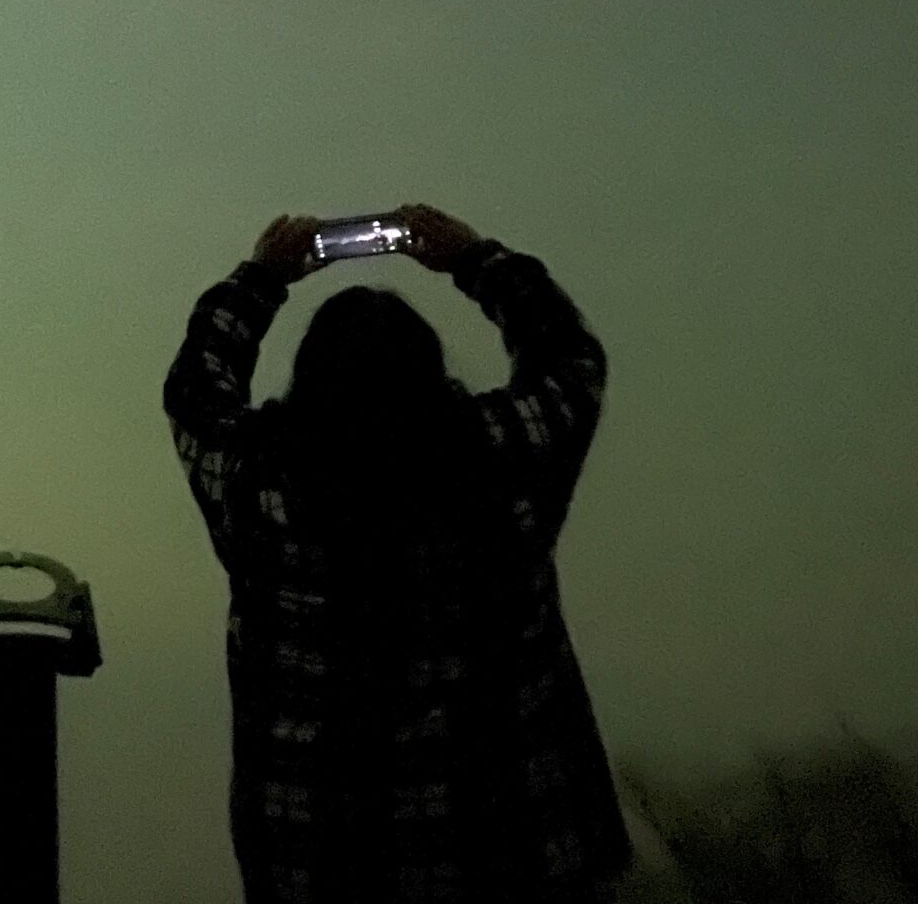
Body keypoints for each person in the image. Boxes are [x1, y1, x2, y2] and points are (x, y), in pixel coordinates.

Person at [164, 202, 632, 904]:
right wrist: (475, 260)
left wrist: (260, 279)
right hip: (518, 861)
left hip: (321, 869)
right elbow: (569, 356)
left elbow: (198, 388)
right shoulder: (504, 465)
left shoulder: (259, 486)